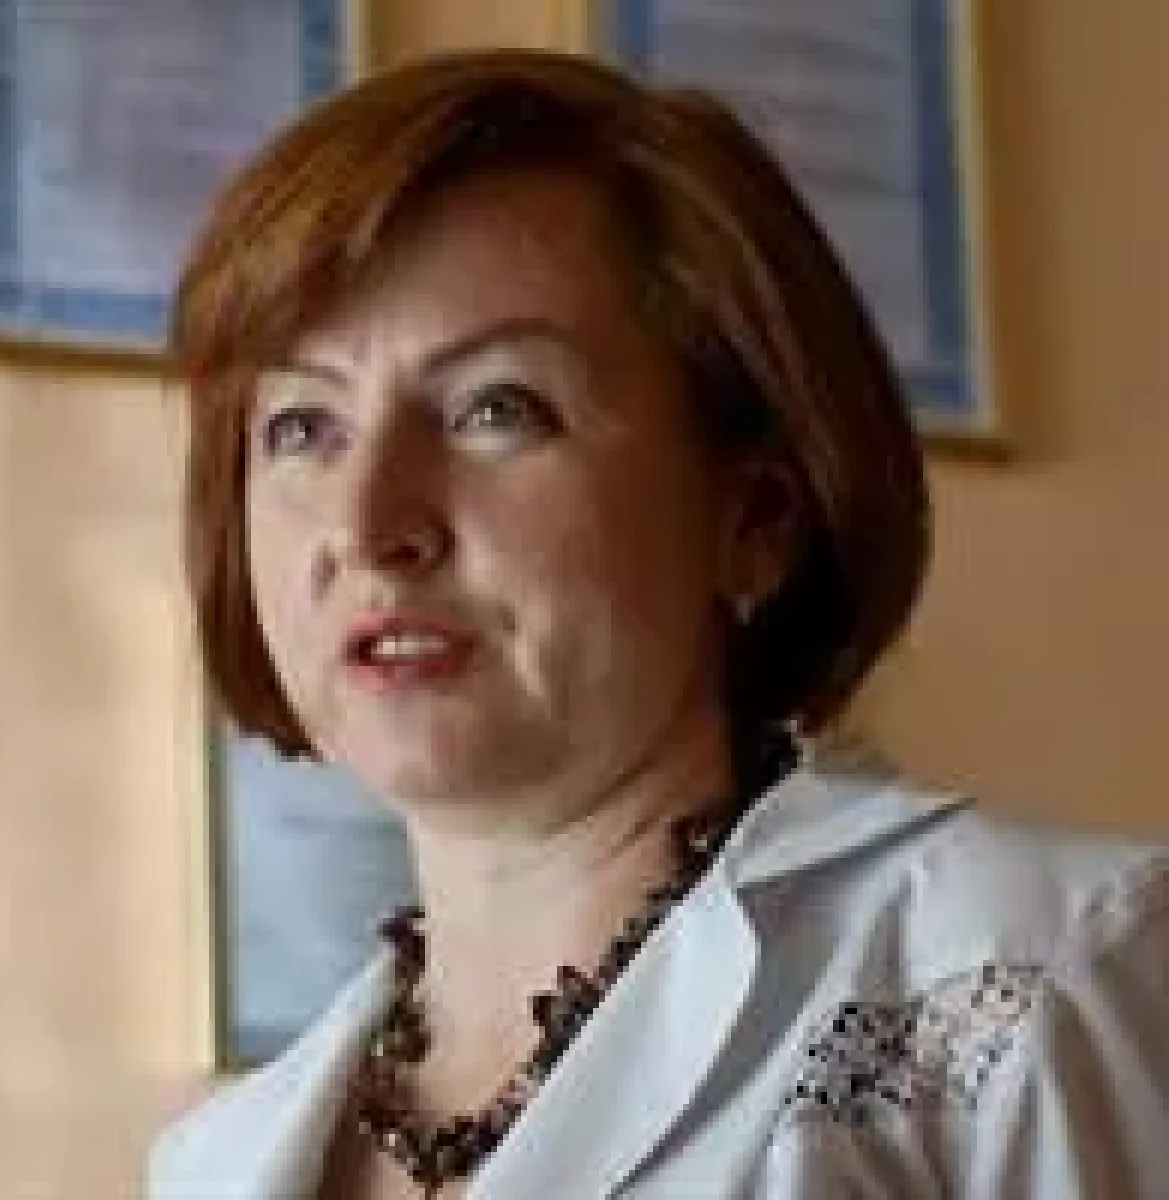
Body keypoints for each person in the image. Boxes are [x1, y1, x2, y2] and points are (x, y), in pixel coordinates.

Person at [149, 48, 1167, 1200]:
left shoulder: (1038, 973)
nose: (370, 525)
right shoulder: (213, 1165)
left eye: (496, 409)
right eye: (301, 428)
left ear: (756, 517)